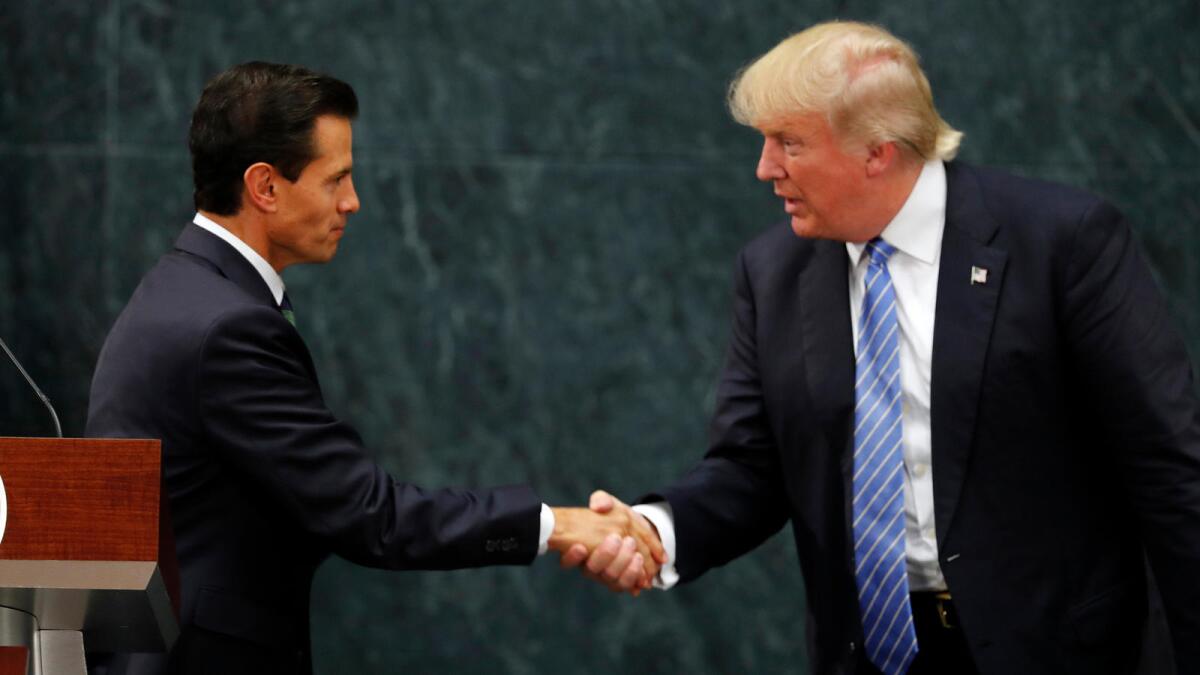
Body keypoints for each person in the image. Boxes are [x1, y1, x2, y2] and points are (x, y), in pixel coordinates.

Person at [562, 20, 1200, 675]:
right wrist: (652, 530)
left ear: (878, 151)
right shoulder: (773, 271)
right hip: (869, 655)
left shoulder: (1063, 243)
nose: (764, 167)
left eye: (789, 143)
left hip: (1052, 650)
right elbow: (752, 469)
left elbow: (1170, 469)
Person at [85, 62, 661, 675]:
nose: (352, 202)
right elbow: (371, 517)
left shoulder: (181, 292)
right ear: (266, 187)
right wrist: (557, 525)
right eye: (337, 179)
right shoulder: (229, 326)